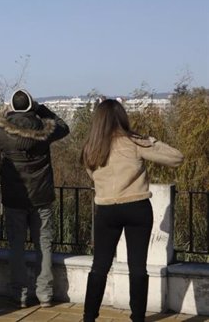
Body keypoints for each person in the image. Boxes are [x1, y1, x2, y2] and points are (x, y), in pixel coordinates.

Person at [81, 99, 183, 322]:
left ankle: (89, 317)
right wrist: (148, 140)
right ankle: (138, 317)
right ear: (121, 117)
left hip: (107, 209)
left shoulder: (91, 147)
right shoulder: (133, 142)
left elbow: (92, 175)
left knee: (99, 266)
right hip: (137, 207)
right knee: (138, 267)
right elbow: (176, 157)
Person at [0, 89, 69, 308]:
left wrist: (7, 118)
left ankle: (21, 293)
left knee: (16, 245)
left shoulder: (2, 133)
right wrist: (42, 110)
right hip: (41, 196)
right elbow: (63, 126)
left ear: (13, 107)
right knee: (43, 244)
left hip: (14, 198)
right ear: (31, 106)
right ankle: (45, 294)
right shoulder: (45, 130)